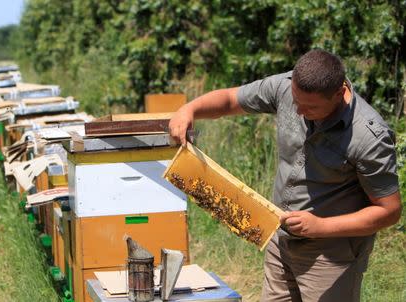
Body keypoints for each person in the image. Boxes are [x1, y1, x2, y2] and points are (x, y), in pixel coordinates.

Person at [168, 49, 402, 302]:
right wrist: (188, 110)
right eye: (296, 100)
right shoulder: (284, 86)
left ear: (338, 94)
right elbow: (229, 100)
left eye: (310, 107)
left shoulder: (369, 137)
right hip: (280, 242)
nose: (299, 110)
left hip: (331, 255)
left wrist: (321, 226)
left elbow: (389, 210)